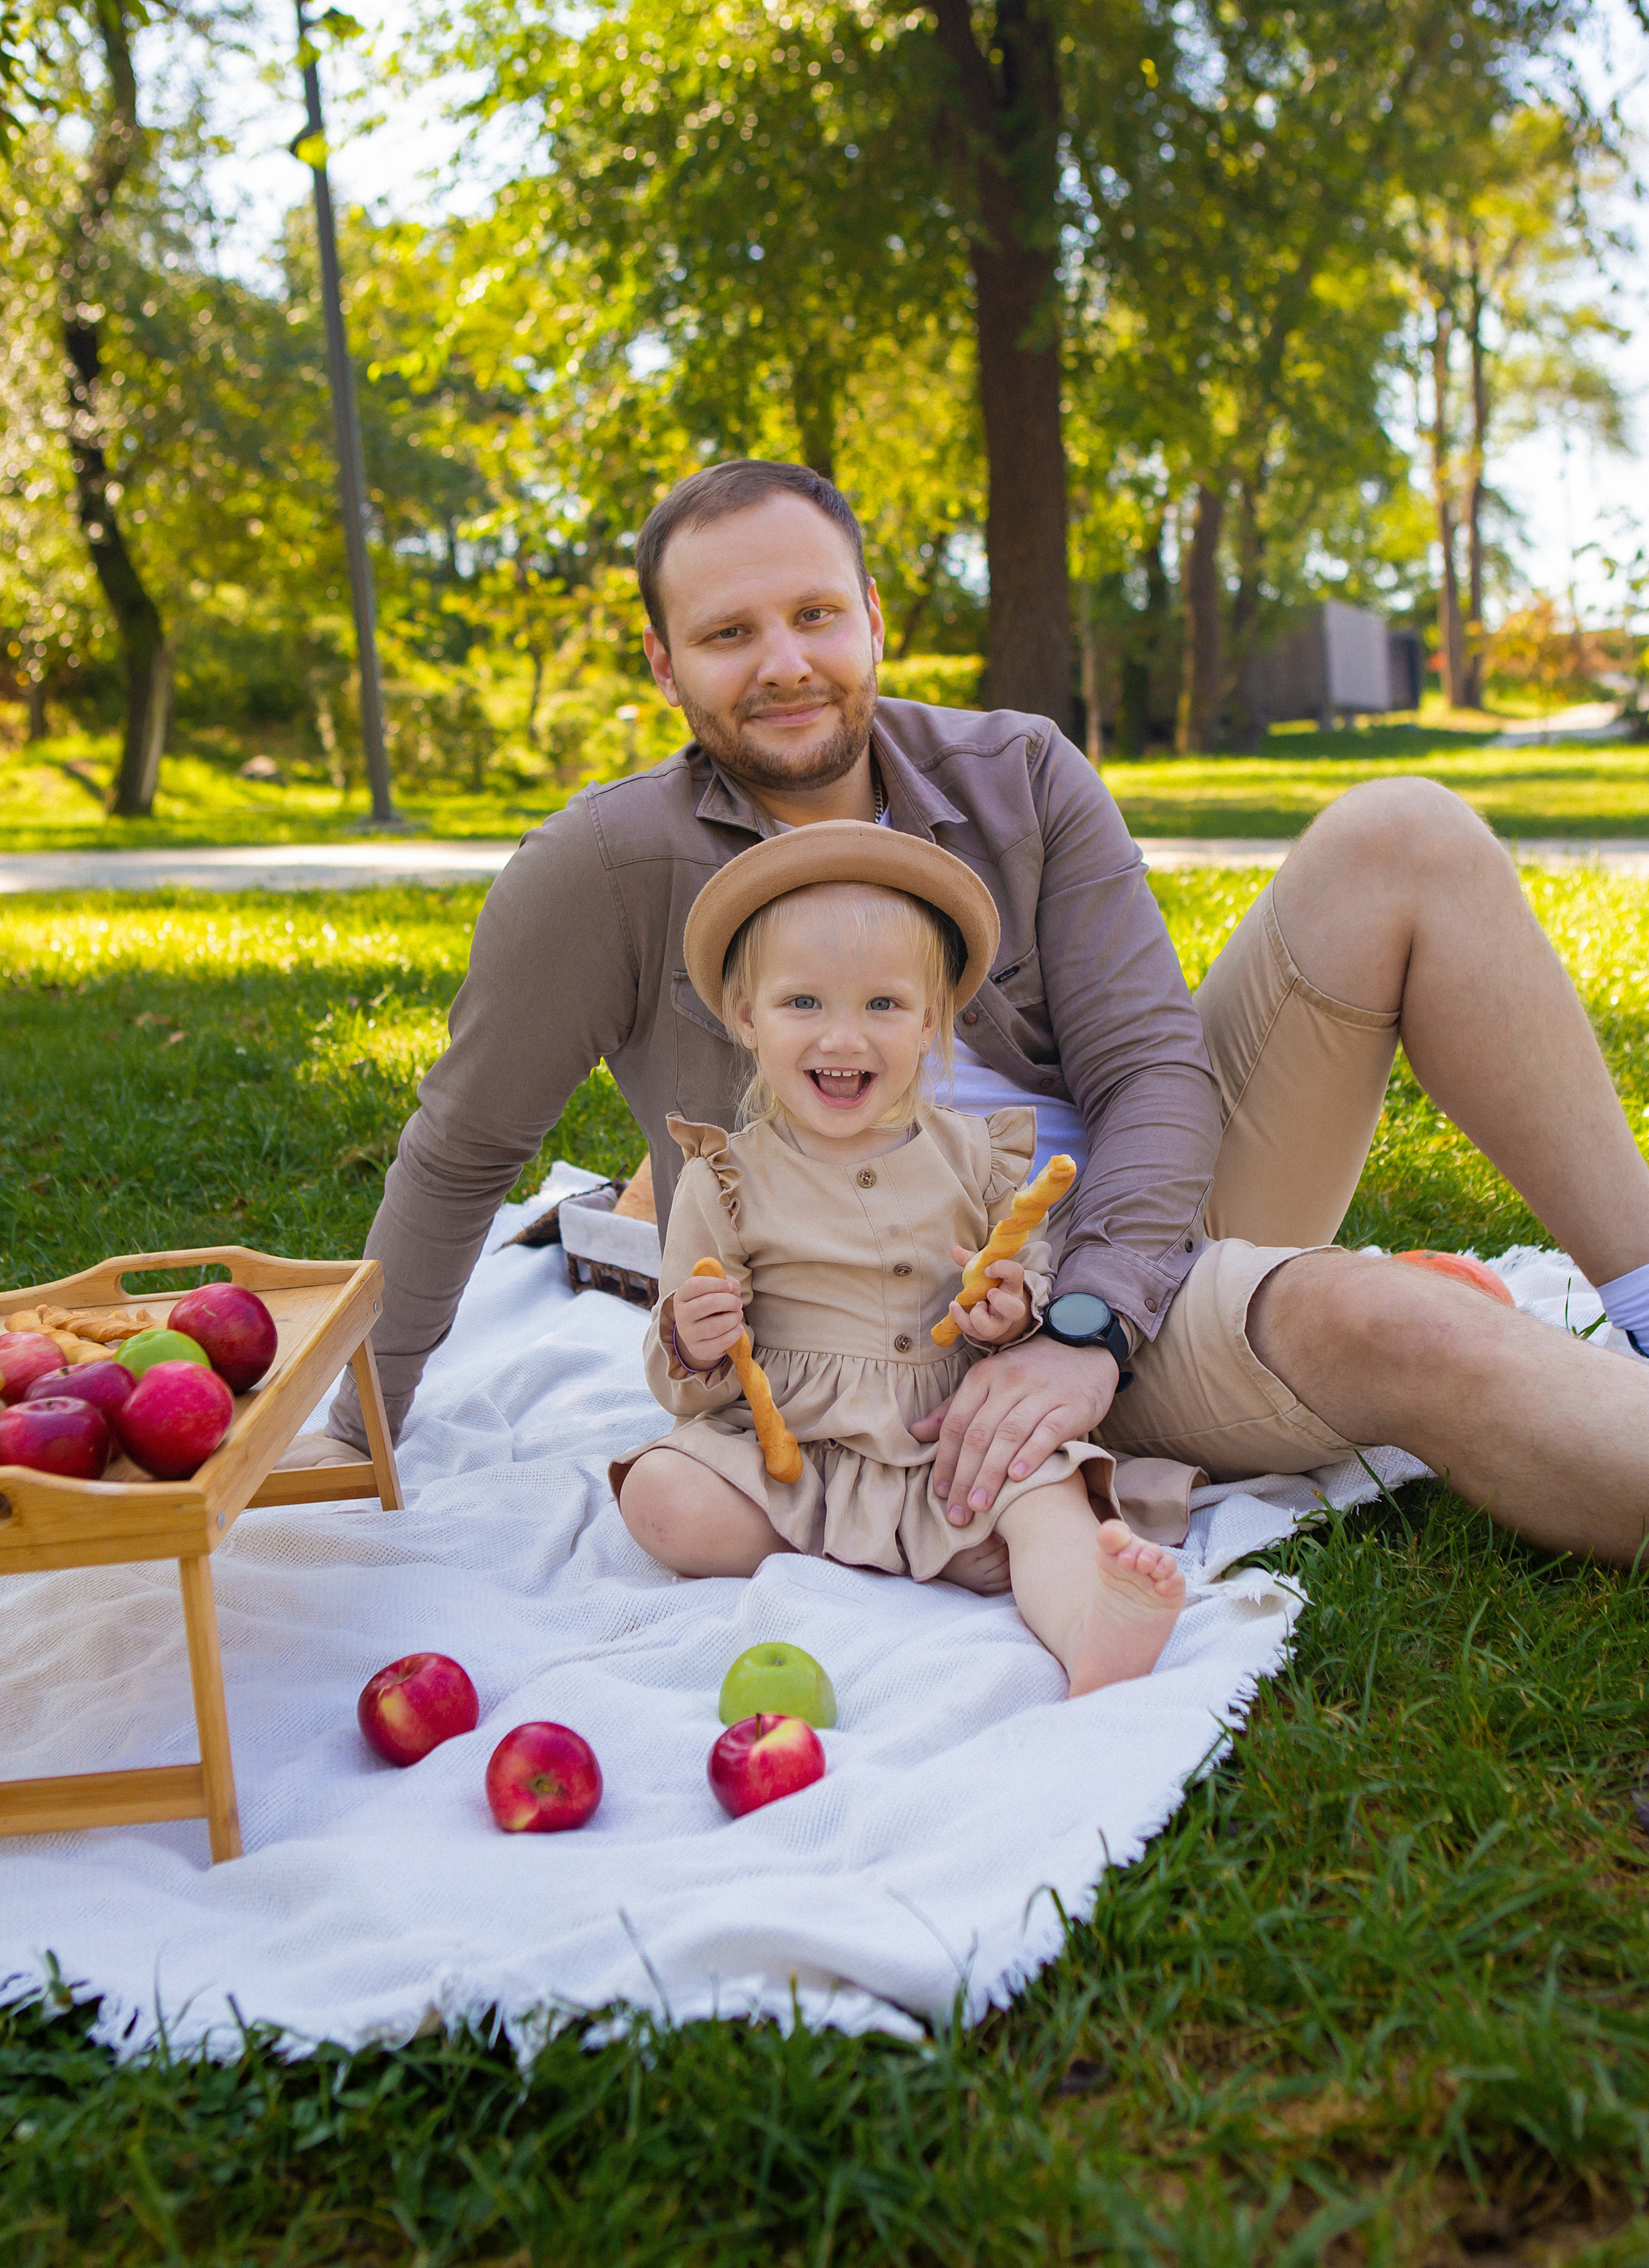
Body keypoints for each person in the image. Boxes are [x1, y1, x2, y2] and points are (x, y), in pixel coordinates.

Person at [287, 458, 1649, 1571]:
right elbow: (462, 1152)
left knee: (1400, 831)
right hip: (915, 1330)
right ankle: (1330, 1336)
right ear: (663, 663)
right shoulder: (601, 871)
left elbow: (1153, 1073)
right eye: (726, 633)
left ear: (872, 612)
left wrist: (1090, 1327)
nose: (784, 663)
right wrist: (355, 1434)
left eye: (814, 614)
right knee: (1406, 1329)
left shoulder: (1021, 775)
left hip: (1129, 1234)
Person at [611, 824, 1188, 1693]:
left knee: (1041, 1497)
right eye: (803, 1003)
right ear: (746, 1017)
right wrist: (693, 1338)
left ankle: (1088, 1627)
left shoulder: (976, 1155)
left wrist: (1009, 1313)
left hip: (948, 1442)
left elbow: (1022, 1271)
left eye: (881, 1005)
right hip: (793, 1456)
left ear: (931, 1020)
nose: (842, 1038)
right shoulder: (724, 1178)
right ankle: (891, 1547)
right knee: (659, 1492)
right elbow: (682, 1374)